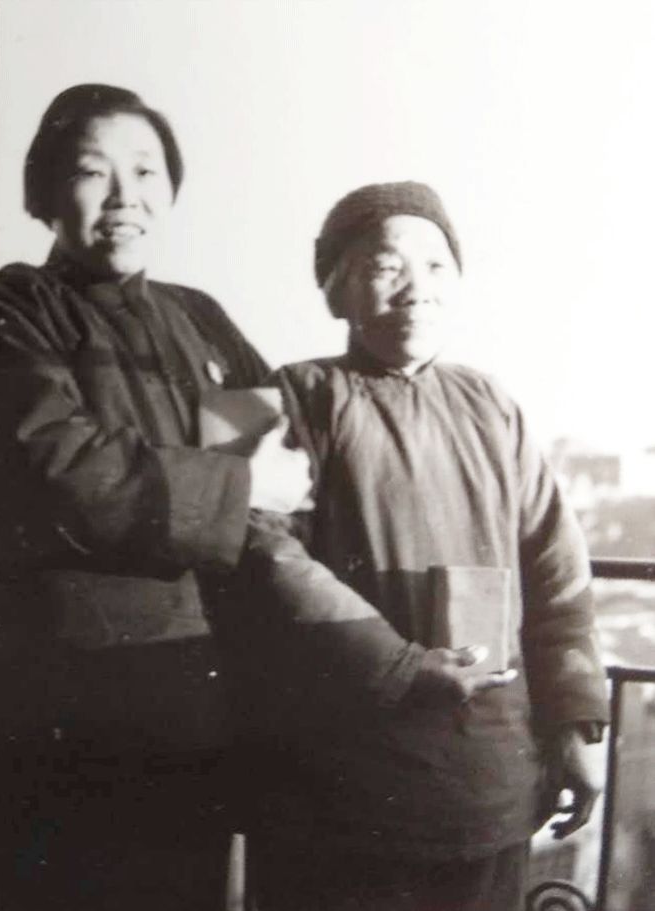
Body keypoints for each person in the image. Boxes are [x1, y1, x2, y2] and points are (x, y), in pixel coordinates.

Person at [214, 182, 609, 911]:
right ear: (337, 290)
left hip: (488, 780)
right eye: (385, 265)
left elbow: (556, 574)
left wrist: (577, 727)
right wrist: (396, 663)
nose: (415, 287)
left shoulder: (493, 405)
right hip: (340, 790)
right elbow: (262, 548)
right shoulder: (296, 394)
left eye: (435, 265)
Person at [0, 84, 311, 911]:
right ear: (44, 195)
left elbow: (285, 453)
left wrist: (260, 481)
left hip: (206, 689)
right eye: (94, 172)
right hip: (80, 689)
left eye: (147, 171)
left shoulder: (199, 317)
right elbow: (63, 468)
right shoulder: (15, 305)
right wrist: (241, 486)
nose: (125, 196)